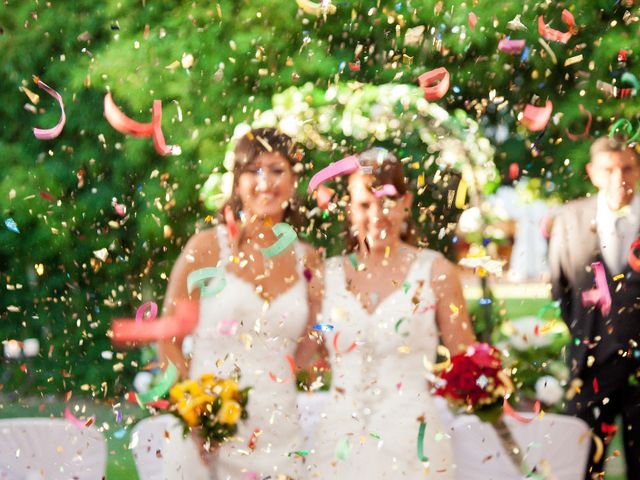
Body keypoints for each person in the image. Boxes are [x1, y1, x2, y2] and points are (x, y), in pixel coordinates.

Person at [158, 128, 323, 479]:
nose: (266, 182)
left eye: (278, 170)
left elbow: (315, 340)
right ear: (237, 182)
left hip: (280, 427)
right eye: (254, 170)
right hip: (213, 433)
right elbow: (168, 339)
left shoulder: (308, 260)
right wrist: (196, 412)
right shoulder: (204, 249)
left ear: (293, 181)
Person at [309, 147, 475, 479]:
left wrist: (479, 386)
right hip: (339, 442)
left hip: (413, 441)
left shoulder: (437, 271)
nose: (377, 215)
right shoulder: (325, 276)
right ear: (349, 210)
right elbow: (309, 355)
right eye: (364, 205)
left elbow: (465, 358)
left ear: (406, 202)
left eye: (387, 202)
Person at [549, 137, 640, 479]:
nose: (620, 177)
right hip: (590, 366)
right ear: (592, 173)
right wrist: (587, 335)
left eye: (628, 167)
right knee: (582, 463)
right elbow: (561, 288)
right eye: (609, 169)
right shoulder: (570, 218)